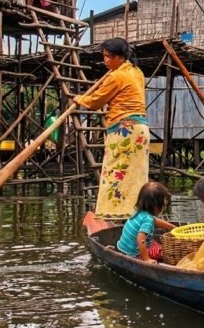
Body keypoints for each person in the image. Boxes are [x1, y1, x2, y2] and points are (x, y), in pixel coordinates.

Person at [74, 38, 149, 219]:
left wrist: (79, 99)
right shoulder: (136, 71)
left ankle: (114, 214)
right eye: (104, 57)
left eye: (108, 57)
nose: (105, 61)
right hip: (139, 129)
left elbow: (96, 101)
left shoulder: (117, 76)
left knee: (115, 172)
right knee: (136, 175)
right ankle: (134, 212)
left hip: (124, 130)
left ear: (120, 57)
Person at [116, 181, 176, 262]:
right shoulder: (148, 220)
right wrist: (147, 259)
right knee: (162, 251)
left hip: (122, 248)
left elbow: (155, 221)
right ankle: (147, 257)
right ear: (156, 206)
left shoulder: (138, 211)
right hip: (134, 254)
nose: (164, 207)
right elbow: (140, 240)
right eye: (163, 204)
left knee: (153, 242)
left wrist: (171, 227)